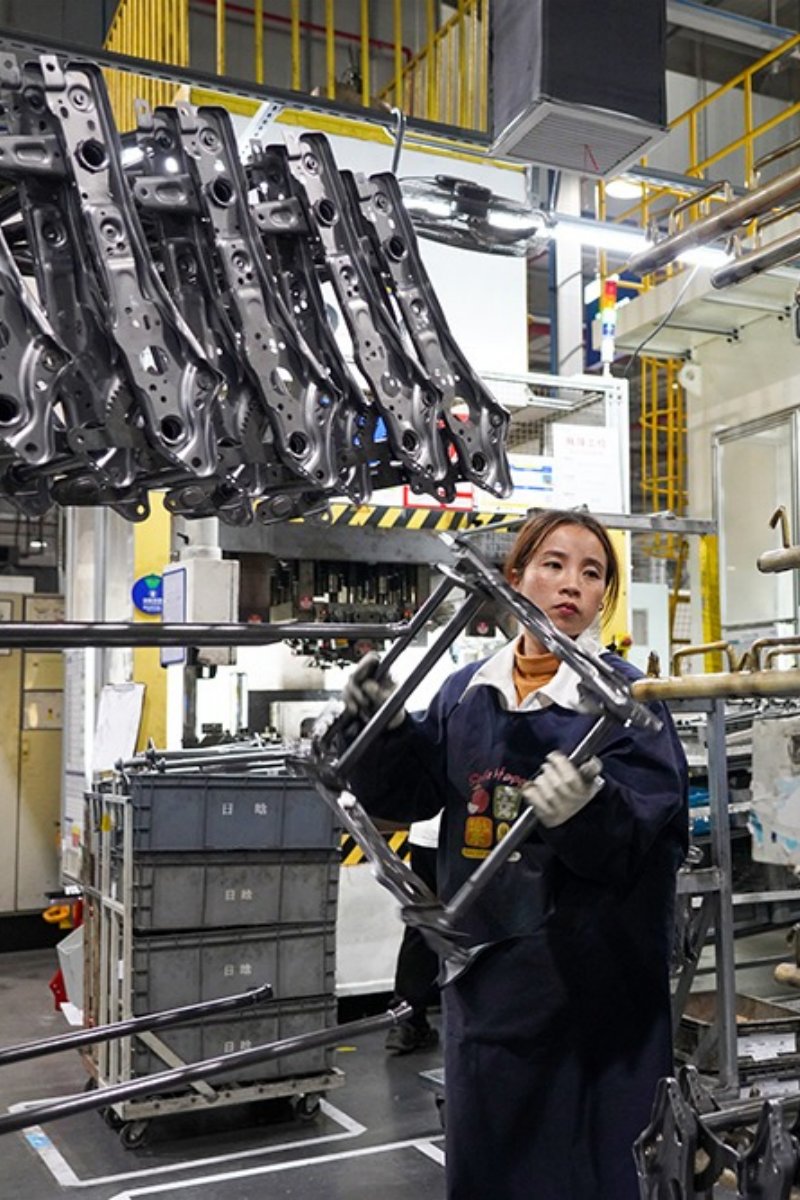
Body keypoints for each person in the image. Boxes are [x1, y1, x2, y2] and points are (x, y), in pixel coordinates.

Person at [341, 508, 688, 1200]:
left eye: (593, 573)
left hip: (597, 999)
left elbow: (652, 835)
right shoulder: (468, 693)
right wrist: (380, 727)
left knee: (594, 1172)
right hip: (489, 990)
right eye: (554, 564)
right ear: (516, 576)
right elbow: (409, 792)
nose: (572, 584)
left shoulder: (627, 702)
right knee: (495, 1164)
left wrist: (590, 813)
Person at [385, 813, 442, 1055]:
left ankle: (406, 1022)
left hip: (425, 835)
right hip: (466, 838)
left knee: (422, 925)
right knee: (479, 924)